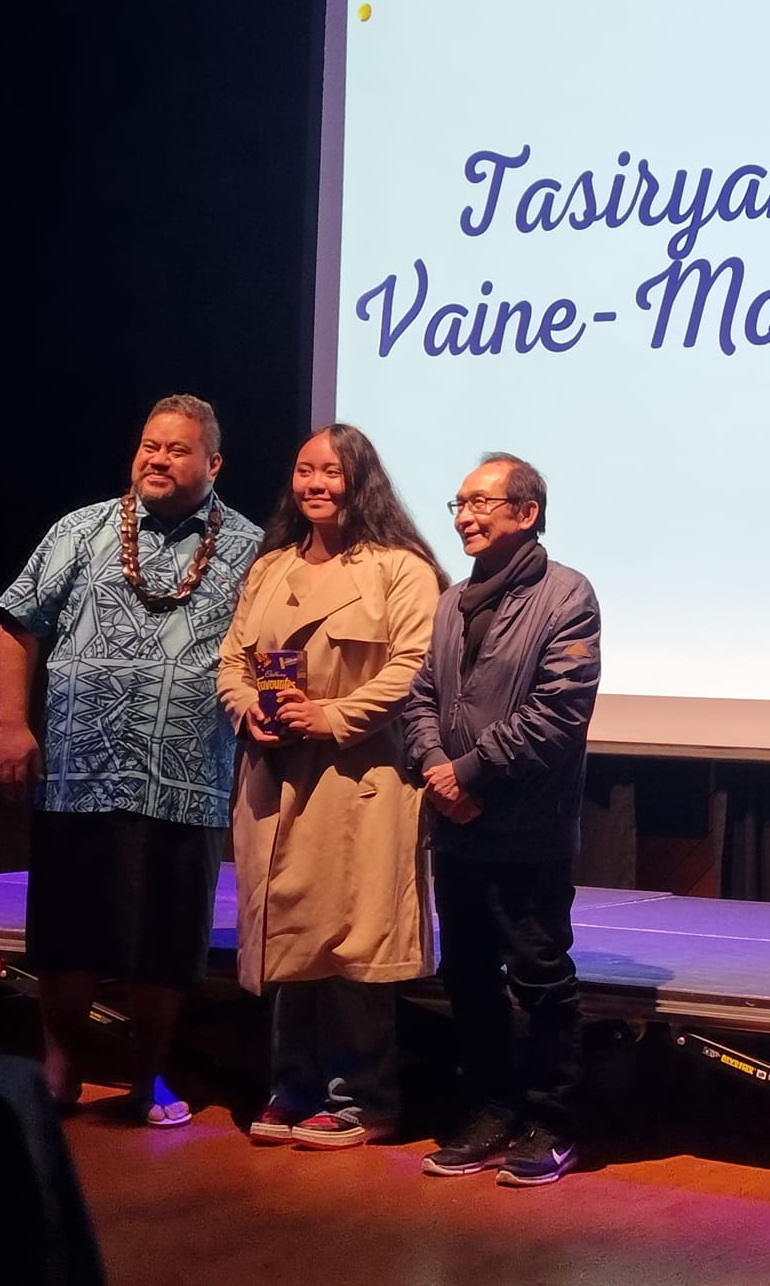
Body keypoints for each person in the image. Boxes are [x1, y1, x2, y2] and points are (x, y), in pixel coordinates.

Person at [0, 394, 262, 1126]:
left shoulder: (254, 550)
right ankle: (60, 1070)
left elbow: (272, 654)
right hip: (81, 771)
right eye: (149, 445)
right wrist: (12, 724)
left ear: (214, 464)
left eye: (177, 450)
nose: (157, 458)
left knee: (166, 940)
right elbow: (19, 626)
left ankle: (150, 1078)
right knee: (66, 931)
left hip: (187, 778)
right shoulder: (79, 532)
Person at [217, 424, 448, 1149]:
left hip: (360, 779)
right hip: (274, 779)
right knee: (287, 937)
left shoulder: (401, 569)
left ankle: (362, 1101)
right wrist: (247, 707)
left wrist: (333, 714)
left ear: (361, 480)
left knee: (353, 944)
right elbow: (231, 661)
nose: (315, 484)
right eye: (305, 471)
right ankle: (292, 1088)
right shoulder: (270, 568)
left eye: (332, 472)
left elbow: (415, 665)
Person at [401, 452, 601, 1187]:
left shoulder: (568, 595)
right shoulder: (453, 601)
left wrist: (470, 773)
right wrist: (435, 770)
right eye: (458, 503)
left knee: (541, 978)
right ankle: (487, 1112)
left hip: (528, 831)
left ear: (527, 512)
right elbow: (423, 697)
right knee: (470, 978)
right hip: (458, 826)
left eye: (481, 502)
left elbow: (558, 713)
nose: (464, 516)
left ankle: (550, 1121)